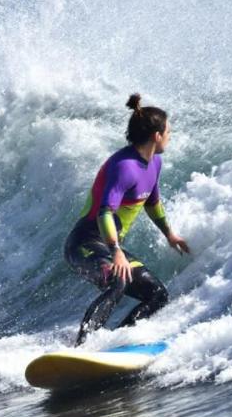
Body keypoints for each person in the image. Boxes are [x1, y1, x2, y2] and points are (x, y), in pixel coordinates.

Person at [65, 94, 190, 345]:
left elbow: (152, 202)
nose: (170, 136)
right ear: (157, 135)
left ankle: (116, 344)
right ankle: (81, 347)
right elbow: (105, 212)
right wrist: (116, 251)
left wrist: (169, 235)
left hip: (109, 247)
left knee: (157, 295)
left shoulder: (154, 162)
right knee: (118, 281)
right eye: (168, 131)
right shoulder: (124, 167)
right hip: (84, 244)